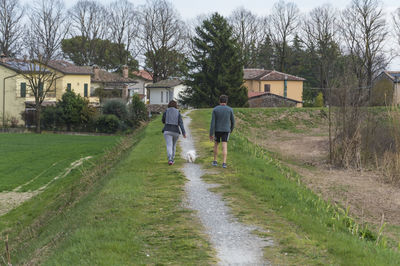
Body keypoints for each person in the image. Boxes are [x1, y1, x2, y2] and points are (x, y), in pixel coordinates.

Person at [209, 95, 235, 168]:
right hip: (226, 130)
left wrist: (211, 134)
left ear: (219, 101)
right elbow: (233, 122)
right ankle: (224, 163)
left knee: (216, 145)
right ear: (226, 101)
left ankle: (215, 161)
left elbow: (212, 123)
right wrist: (231, 130)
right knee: (224, 146)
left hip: (217, 130)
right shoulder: (230, 109)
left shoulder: (215, 109)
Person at [162, 100, 186, 165]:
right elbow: (181, 123)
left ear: (169, 105)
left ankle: (170, 159)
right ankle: (172, 159)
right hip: (175, 131)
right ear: (176, 105)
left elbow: (163, 120)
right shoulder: (178, 112)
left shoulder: (166, 111)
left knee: (169, 145)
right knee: (173, 145)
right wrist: (184, 133)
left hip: (167, 130)